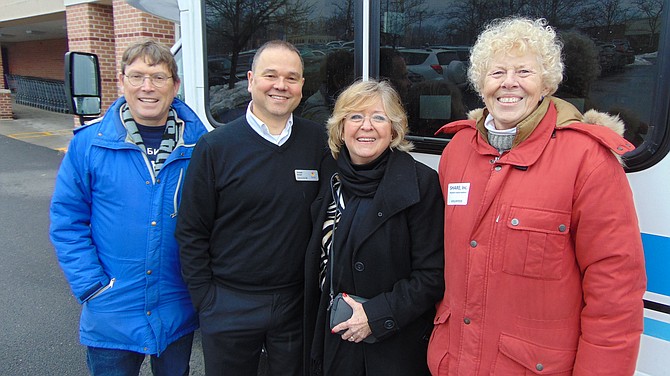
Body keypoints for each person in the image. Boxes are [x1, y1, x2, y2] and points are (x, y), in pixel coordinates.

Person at [427, 17, 646, 375]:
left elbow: (616, 294)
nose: (508, 83)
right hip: (454, 362)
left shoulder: (588, 159)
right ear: (481, 83)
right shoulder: (458, 150)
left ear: (546, 82)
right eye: (496, 72)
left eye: (524, 71)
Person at [49, 39, 207, 376]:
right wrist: (92, 285)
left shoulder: (201, 147)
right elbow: (67, 221)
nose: (147, 87)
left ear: (175, 85)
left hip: (177, 306)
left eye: (158, 77)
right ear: (122, 81)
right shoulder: (88, 145)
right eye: (136, 76)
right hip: (111, 311)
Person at [175, 40, 328, 376]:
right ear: (250, 80)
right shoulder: (216, 146)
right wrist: (207, 300)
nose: (280, 86)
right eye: (270, 75)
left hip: (294, 304)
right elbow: (191, 230)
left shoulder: (318, 141)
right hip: (229, 302)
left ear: (302, 85)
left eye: (292, 78)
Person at [305, 79, 444, 376]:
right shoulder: (331, 178)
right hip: (332, 337)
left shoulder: (420, 184)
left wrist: (376, 316)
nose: (366, 126)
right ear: (341, 128)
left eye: (378, 117)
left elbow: (432, 275)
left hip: (389, 346)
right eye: (355, 116)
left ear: (394, 129)